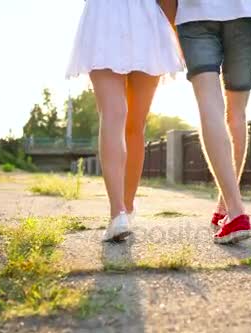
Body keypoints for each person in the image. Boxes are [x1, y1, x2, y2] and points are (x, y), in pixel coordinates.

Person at [66, 0, 184, 242]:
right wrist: (177, 34)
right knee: (135, 126)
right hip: (148, 19)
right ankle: (127, 208)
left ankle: (118, 212)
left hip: (105, 16)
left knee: (112, 115)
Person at [174, 0, 251, 244]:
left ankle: (234, 212)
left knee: (210, 108)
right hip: (241, 17)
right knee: (237, 115)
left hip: (194, 16)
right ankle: (225, 206)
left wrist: (171, 30)